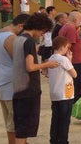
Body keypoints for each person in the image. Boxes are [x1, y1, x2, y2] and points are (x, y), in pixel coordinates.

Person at [12, 12, 59, 144]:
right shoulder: (28, 41)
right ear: (40, 27)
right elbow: (30, 67)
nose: (43, 34)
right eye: (43, 31)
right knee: (24, 128)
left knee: (21, 126)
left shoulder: (18, 38)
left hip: (18, 87)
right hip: (28, 90)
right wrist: (48, 64)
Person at [0, 13, 29, 144]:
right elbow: (20, 63)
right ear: (21, 26)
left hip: (1, 82)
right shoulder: (11, 38)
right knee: (15, 123)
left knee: (10, 121)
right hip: (10, 85)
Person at [47, 35, 77, 144]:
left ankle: (54, 139)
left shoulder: (51, 58)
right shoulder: (63, 59)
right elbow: (74, 74)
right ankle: (63, 140)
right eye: (67, 47)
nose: (67, 50)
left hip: (55, 93)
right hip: (65, 93)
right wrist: (69, 60)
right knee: (64, 120)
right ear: (62, 47)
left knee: (55, 118)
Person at [58, 10, 81, 101]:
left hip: (74, 61)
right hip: (74, 61)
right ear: (75, 20)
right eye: (80, 20)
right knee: (76, 83)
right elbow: (69, 45)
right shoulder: (70, 28)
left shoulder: (67, 27)